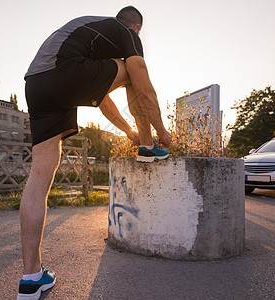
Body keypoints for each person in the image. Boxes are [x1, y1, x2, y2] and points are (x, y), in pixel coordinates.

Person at [17, 6, 172, 299]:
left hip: (37, 84)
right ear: (137, 28)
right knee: (133, 71)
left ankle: (31, 277)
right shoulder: (126, 32)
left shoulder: (95, 35)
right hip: (65, 71)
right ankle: (148, 147)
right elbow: (140, 79)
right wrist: (161, 130)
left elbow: (99, 96)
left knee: (39, 177)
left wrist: (127, 130)